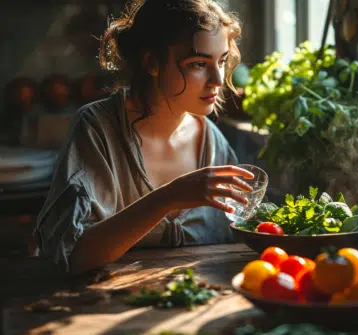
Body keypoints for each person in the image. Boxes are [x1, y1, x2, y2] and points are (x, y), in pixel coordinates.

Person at [33, 0, 253, 275]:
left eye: (221, 61)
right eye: (198, 63)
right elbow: (74, 256)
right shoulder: (98, 128)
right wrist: (169, 197)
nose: (218, 79)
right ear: (152, 63)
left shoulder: (213, 142)